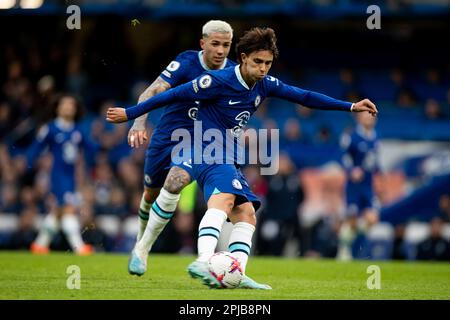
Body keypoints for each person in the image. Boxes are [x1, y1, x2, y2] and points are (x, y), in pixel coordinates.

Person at [107, 27, 378, 289]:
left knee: (246, 214)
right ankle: (189, 257)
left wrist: (350, 106)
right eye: (258, 62)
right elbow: (174, 93)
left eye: (268, 63)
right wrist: (132, 115)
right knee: (195, 190)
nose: (263, 69)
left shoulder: (265, 84)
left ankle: (235, 272)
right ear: (244, 58)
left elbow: (304, 96)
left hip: (227, 152)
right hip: (204, 147)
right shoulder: (218, 80)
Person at [123, 20, 236, 272]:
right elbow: (151, 92)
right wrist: (139, 123)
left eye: (226, 45)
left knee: (175, 181)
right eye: (215, 44)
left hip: (199, 142)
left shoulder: (233, 72)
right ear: (202, 43)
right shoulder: (186, 62)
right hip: (166, 137)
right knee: (150, 195)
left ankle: (143, 250)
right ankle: (140, 241)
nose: (220, 51)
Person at [27, 94, 97, 255]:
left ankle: (39, 245)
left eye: (71, 105)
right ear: (57, 108)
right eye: (65, 104)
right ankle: (79, 247)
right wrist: (30, 169)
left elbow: (91, 149)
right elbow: (35, 149)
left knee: (58, 212)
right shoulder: (50, 128)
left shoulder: (77, 130)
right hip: (57, 175)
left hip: (71, 176)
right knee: (68, 208)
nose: (68, 107)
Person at [337, 111, 380, 260]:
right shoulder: (352, 136)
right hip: (354, 187)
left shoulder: (375, 137)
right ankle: (344, 250)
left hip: (368, 186)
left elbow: (374, 162)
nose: (370, 118)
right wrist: (351, 170)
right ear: (359, 118)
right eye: (367, 115)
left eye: (372, 116)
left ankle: (347, 240)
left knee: (372, 218)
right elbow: (343, 156)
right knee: (353, 220)